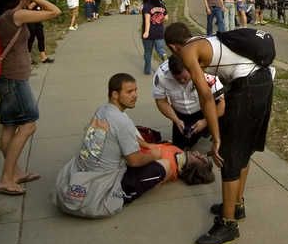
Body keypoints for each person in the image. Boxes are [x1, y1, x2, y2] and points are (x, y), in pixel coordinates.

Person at [164, 22, 274, 244]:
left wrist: (216, 138)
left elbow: (206, 97)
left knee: (228, 155)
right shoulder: (203, 40)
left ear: (173, 47)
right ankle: (236, 205)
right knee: (243, 149)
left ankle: (228, 224)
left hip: (248, 86)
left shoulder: (187, 52)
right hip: (263, 82)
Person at [54, 73, 214, 218]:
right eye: (129, 92)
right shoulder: (122, 121)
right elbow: (134, 161)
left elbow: (129, 134)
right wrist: (154, 154)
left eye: (136, 90)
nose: (135, 95)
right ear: (115, 94)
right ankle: (124, 195)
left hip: (83, 170)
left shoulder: (103, 110)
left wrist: (147, 144)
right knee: (162, 167)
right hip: (101, 185)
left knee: (140, 137)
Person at [0, 0, 61, 195]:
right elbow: (55, 11)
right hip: (14, 80)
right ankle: (6, 179)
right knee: (29, 125)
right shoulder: (16, 15)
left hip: (8, 78)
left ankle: (15, 173)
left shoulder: (6, 16)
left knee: (10, 126)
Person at [153, 55, 225, 149]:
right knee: (178, 147)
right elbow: (161, 101)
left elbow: (221, 104)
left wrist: (206, 121)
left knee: (200, 139)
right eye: (178, 79)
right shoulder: (161, 76)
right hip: (180, 114)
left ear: (190, 69)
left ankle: (206, 131)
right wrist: (176, 120)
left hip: (203, 111)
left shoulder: (207, 73)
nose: (182, 81)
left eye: (185, 78)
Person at [141, 0, 168, 75]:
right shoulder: (162, 4)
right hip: (159, 32)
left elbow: (147, 20)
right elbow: (166, 18)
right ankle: (165, 60)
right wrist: (159, 20)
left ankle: (147, 70)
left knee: (148, 52)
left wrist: (146, 32)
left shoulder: (147, 5)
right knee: (160, 49)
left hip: (149, 33)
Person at [26, 0, 54, 64]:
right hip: (30, 19)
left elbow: (42, 7)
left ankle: (43, 57)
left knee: (41, 37)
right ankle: (28, 58)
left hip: (38, 18)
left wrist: (42, 0)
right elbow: (29, 7)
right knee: (31, 38)